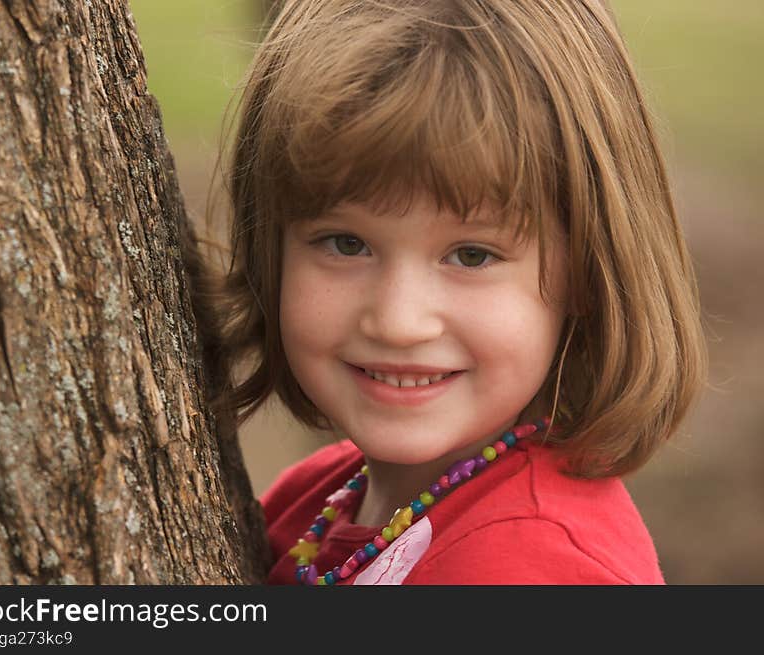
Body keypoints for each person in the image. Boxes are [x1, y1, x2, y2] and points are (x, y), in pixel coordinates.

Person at [194, 0, 708, 584]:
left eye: (471, 255)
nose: (397, 321)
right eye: (345, 243)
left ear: (587, 274)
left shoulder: (536, 569)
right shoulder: (317, 498)